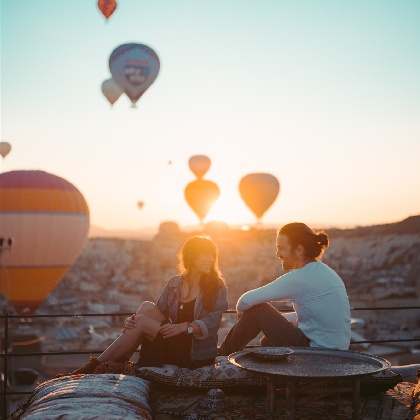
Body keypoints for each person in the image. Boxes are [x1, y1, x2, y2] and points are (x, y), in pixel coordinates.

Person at [62, 235, 228, 375]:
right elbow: (156, 312)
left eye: (213, 255)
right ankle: (116, 362)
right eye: (206, 254)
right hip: (174, 339)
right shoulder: (175, 283)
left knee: (142, 321)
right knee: (145, 307)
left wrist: (186, 327)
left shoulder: (216, 286)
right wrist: (132, 323)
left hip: (195, 351)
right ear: (192, 256)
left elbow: (214, 322)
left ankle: (93, 368)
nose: (211, 259)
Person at [218, 222, 351, 356]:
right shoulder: (325, 272)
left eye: (281, 248)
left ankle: (222, 354)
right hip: (336, 355)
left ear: (299, 250)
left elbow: (245, 301)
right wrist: (272, 320)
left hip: (316, 354)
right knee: (266, 343)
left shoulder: (300, 278)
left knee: (257, 310)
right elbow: (315, 317)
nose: (277, 254)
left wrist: (244, 312)